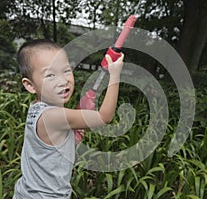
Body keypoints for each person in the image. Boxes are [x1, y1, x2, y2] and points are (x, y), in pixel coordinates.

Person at [13, 39, 124, 198]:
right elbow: (104, 117)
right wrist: (115, 76)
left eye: (66, 71)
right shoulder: (53, 117)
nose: (63, 80)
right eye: (50, 74)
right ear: (30, 85)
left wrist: (73, 135)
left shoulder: (38, 108)